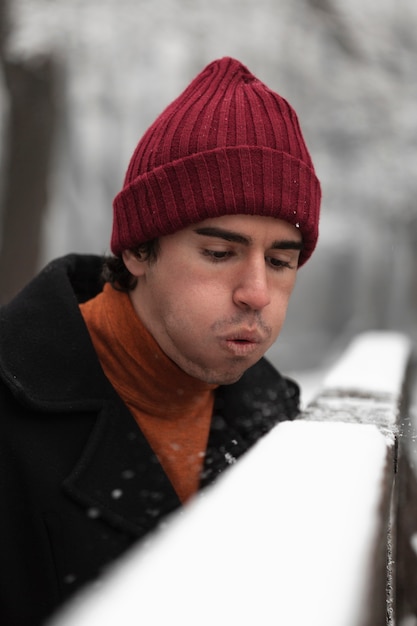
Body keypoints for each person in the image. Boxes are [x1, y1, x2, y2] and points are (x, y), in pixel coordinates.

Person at [0, 56, 321, 625]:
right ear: (137, 250)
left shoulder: (276, 420)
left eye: (280, 261)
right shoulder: (13, 410)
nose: (256, 292)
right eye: (219, 253)